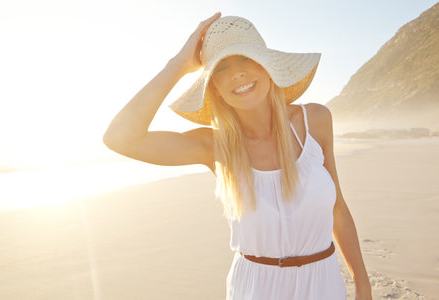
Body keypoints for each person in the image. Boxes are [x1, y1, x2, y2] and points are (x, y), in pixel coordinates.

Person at [103, 12, 372, 300]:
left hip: (323, 285)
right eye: (221, 67)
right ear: (213, 88)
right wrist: (179, 64)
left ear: (267, 66)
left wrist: (362, 283)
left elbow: (338, 210)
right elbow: (121, 138)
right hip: (256, 289)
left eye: (246, 58)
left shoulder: (315, 120)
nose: (237, 73)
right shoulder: (215, 146)